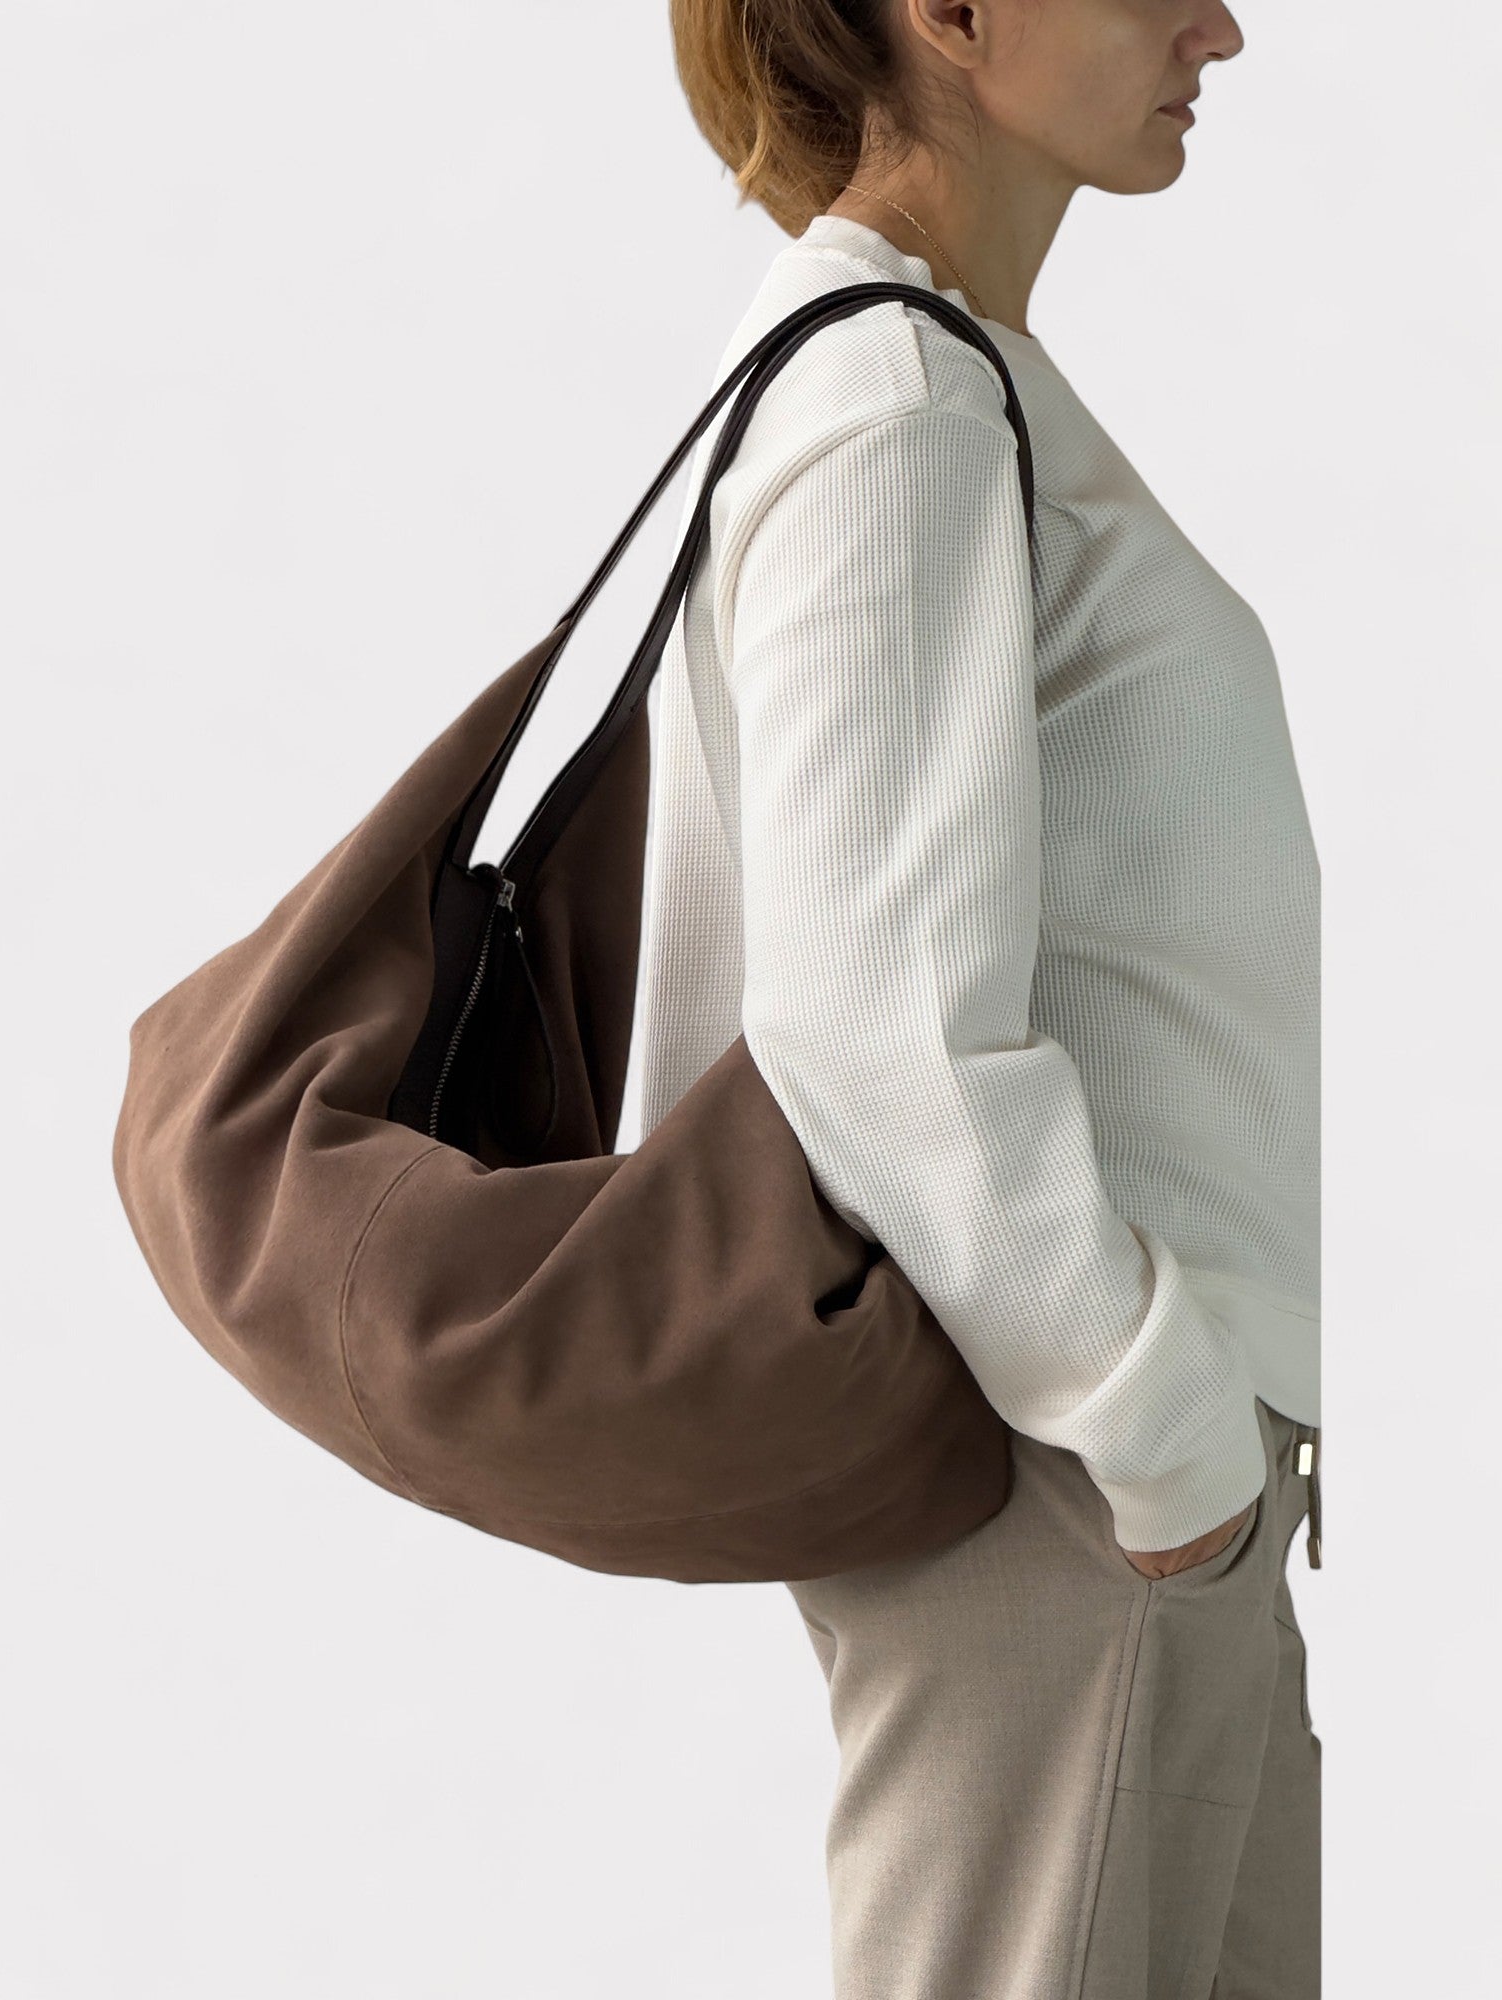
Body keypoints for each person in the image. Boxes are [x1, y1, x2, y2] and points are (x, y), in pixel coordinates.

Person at [636, 2, 1324, 1993]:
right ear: (944, 16)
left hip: (1116, 1475)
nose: (1218, 25)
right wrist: (1159, 1428)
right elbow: (872, 1019)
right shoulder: (895, 403)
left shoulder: (948, 382)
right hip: (1064, 1477)